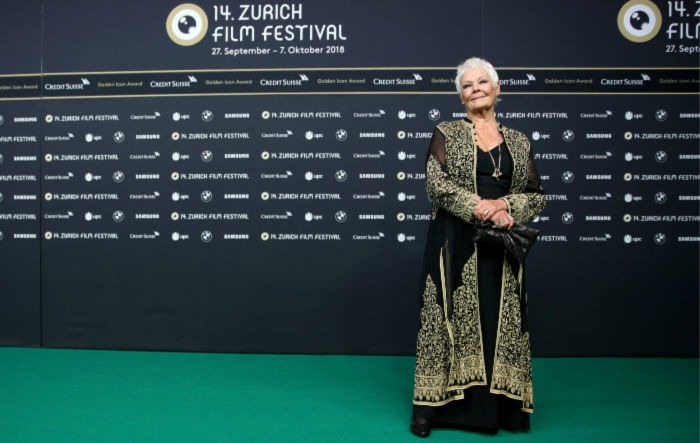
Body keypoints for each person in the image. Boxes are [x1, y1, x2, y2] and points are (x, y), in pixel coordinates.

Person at [410, 57, 546, 437]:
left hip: (502, 244)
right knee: (444, 319)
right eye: (467, 86)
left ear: (497, 89)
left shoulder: (519, 141)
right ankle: (429, 411)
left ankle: (498, 411)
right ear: (460, 97)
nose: (475, 90)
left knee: (498, 319)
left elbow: (535, 196)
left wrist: (505, 206)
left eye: (482, 82)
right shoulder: (446, 132)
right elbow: (435, 185)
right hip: (454, 241)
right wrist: (480, 207)